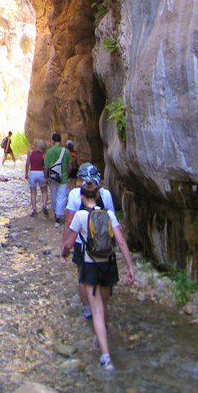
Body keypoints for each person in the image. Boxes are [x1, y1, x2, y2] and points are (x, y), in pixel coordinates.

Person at [61, 185, 135, 371]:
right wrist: (130, 268)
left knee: (97, 310)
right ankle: (101, 336)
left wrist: (64, 251)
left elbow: (69, 243)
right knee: (104, 304)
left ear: (82, 197)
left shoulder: (80, 216)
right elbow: (121, 241)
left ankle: (105, 356)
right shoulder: (108, 215)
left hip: (90, 266)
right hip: (109, 265)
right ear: (98, 196)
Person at [63, 163, 116, 320]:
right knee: (104, 276)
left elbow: (69, 222)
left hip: (82, 242)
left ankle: (88, 309)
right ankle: (102, 309)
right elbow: (111, 219)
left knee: (83, 277)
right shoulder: (106, 194)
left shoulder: (74, 194)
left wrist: (65, 245)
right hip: (103, 242)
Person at [44, 133, 70, 227]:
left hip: (52, 178)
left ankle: (56, 213)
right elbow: (69, 165)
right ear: (60, 141)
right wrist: (67, 174)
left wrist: (45, 178)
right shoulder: (66, 151)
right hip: (63, 177)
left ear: (52, 141)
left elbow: (46, 167)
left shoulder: (49, 151)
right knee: (62, 197)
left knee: (54, 195)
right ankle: (58, 218)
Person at [24, 139, 49, 217]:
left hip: (32, 173)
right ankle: (44, 207)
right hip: (41, 173)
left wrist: (26, 174)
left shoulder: (30, 153)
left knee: (33, 193)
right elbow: (45, 167)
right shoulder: (44, 155)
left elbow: (27, 163)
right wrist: (46, 177)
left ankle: (34, 210)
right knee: (44, 191)